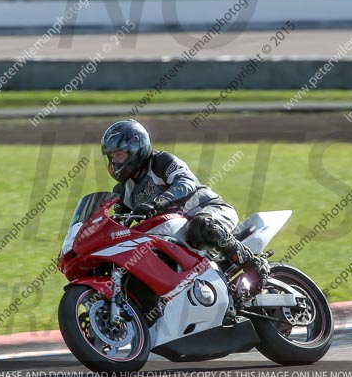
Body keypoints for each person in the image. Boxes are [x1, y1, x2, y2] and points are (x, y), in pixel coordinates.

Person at [101, 119, 269, 298]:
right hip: (173, 234)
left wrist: (158, 202)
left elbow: (185, 182)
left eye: (118, 155)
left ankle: (253, 264)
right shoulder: (122, 190)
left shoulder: (160, 162)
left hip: (209, 210)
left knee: (200, 225)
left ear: (136, 148)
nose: (114, 162)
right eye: (111, 157)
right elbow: (118, 223)